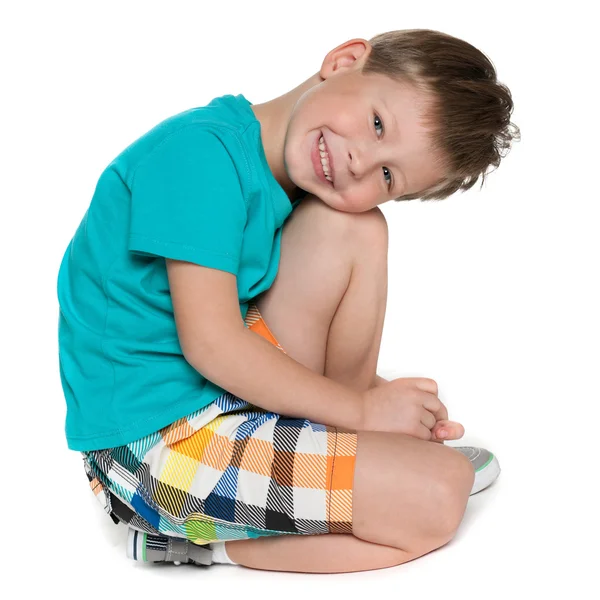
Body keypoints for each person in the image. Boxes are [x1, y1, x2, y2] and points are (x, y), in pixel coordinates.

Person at [57, 29, 519, 574]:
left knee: (354, 228)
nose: (357, 162)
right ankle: (197, 544)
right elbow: (212, 346)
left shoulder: (288, 174)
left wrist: (368, 409)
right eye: (376, 124)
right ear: (345, 60)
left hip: (216, 398)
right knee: (441, 492)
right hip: (152, 452)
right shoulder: (198, 156)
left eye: (388, 175)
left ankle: (351, 444)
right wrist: (364, 407)